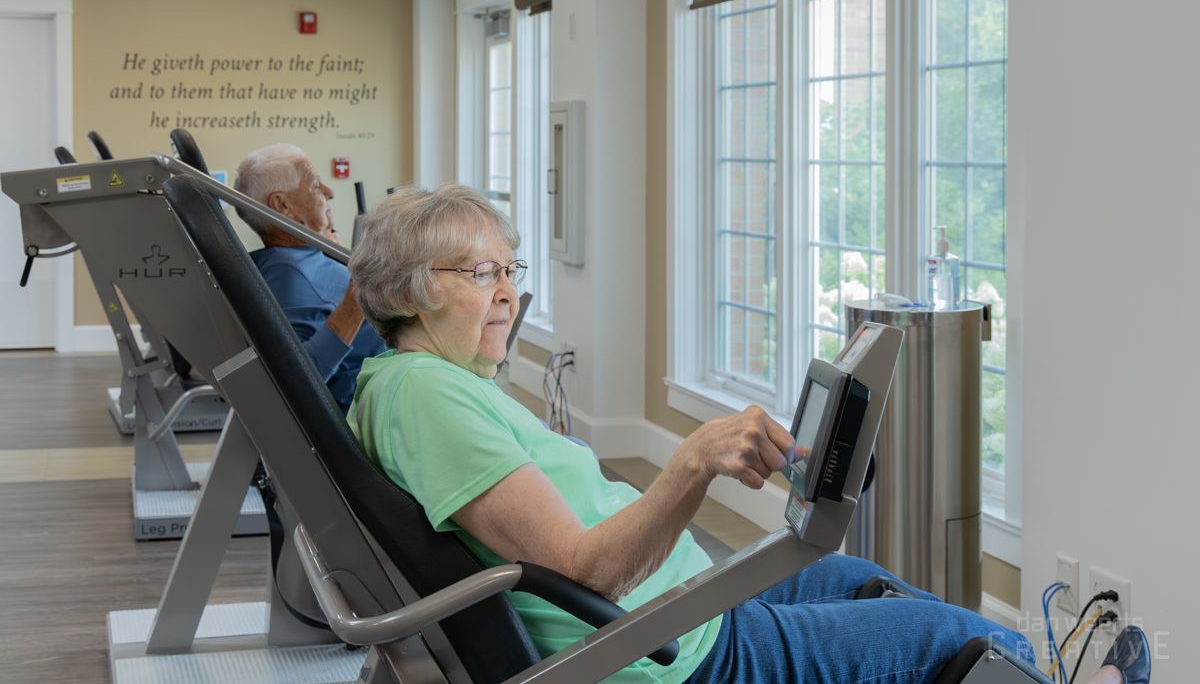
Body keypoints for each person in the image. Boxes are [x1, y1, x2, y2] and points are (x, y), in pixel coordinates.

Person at [345, 184, 1151, 684]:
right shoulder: (426, 397)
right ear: (408, 292)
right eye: (479, 274)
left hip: (685, 607)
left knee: (866, 580)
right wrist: (695, 460)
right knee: (941, 640)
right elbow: (591, 571)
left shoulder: (429, 384)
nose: (507, 295)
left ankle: (1046, 676)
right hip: (669, 653)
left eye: (509, 272)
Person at [234, 144, 385, 411]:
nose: (329, 192)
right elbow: (300, 377)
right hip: (380, 393)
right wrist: (355, 303)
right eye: (315, 185)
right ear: (282, 205)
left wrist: (326, 250)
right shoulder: (289, 277)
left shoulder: (298, 256)